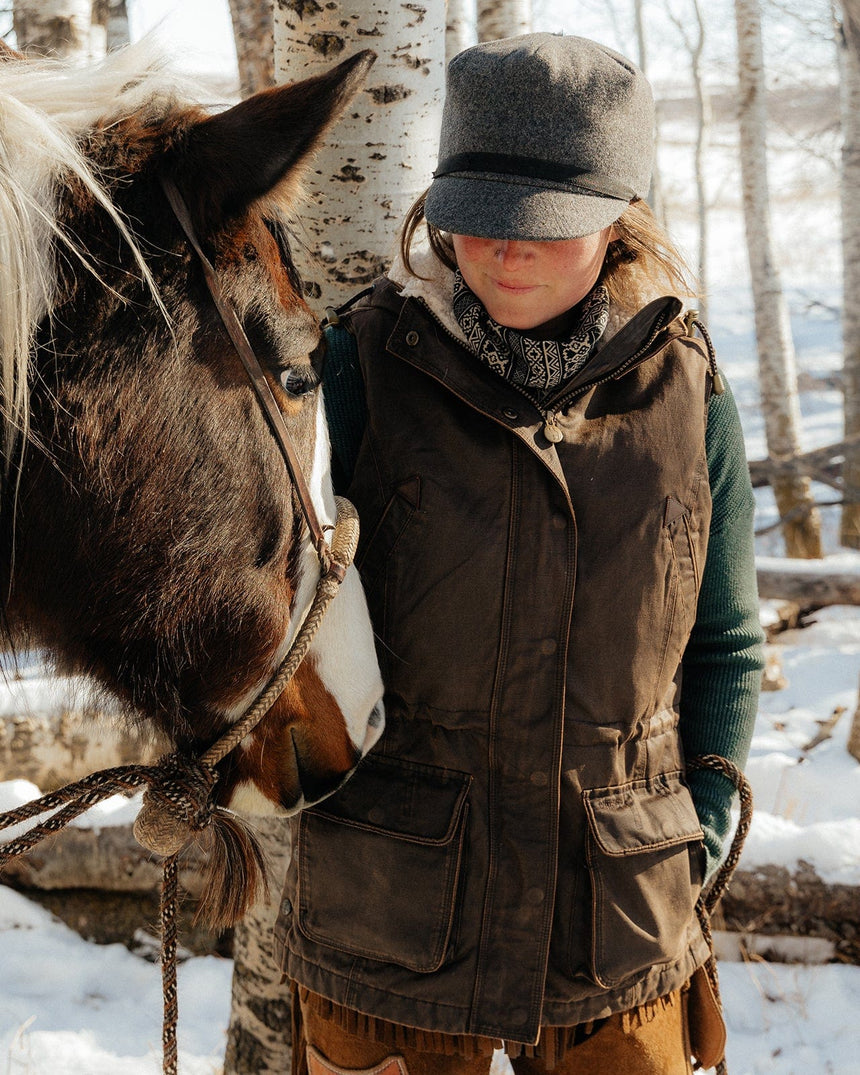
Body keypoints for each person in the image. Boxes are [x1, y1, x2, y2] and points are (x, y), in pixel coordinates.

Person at [275, 32, 765, 1075]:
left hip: (620, 921)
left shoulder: (687, 394)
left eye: (541, 227)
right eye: (478, 221)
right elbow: (274, 610)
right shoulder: (357, 366)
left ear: (616, 217)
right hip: (386, 916)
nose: (504, 251)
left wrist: (705, 818)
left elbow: (722, 641)